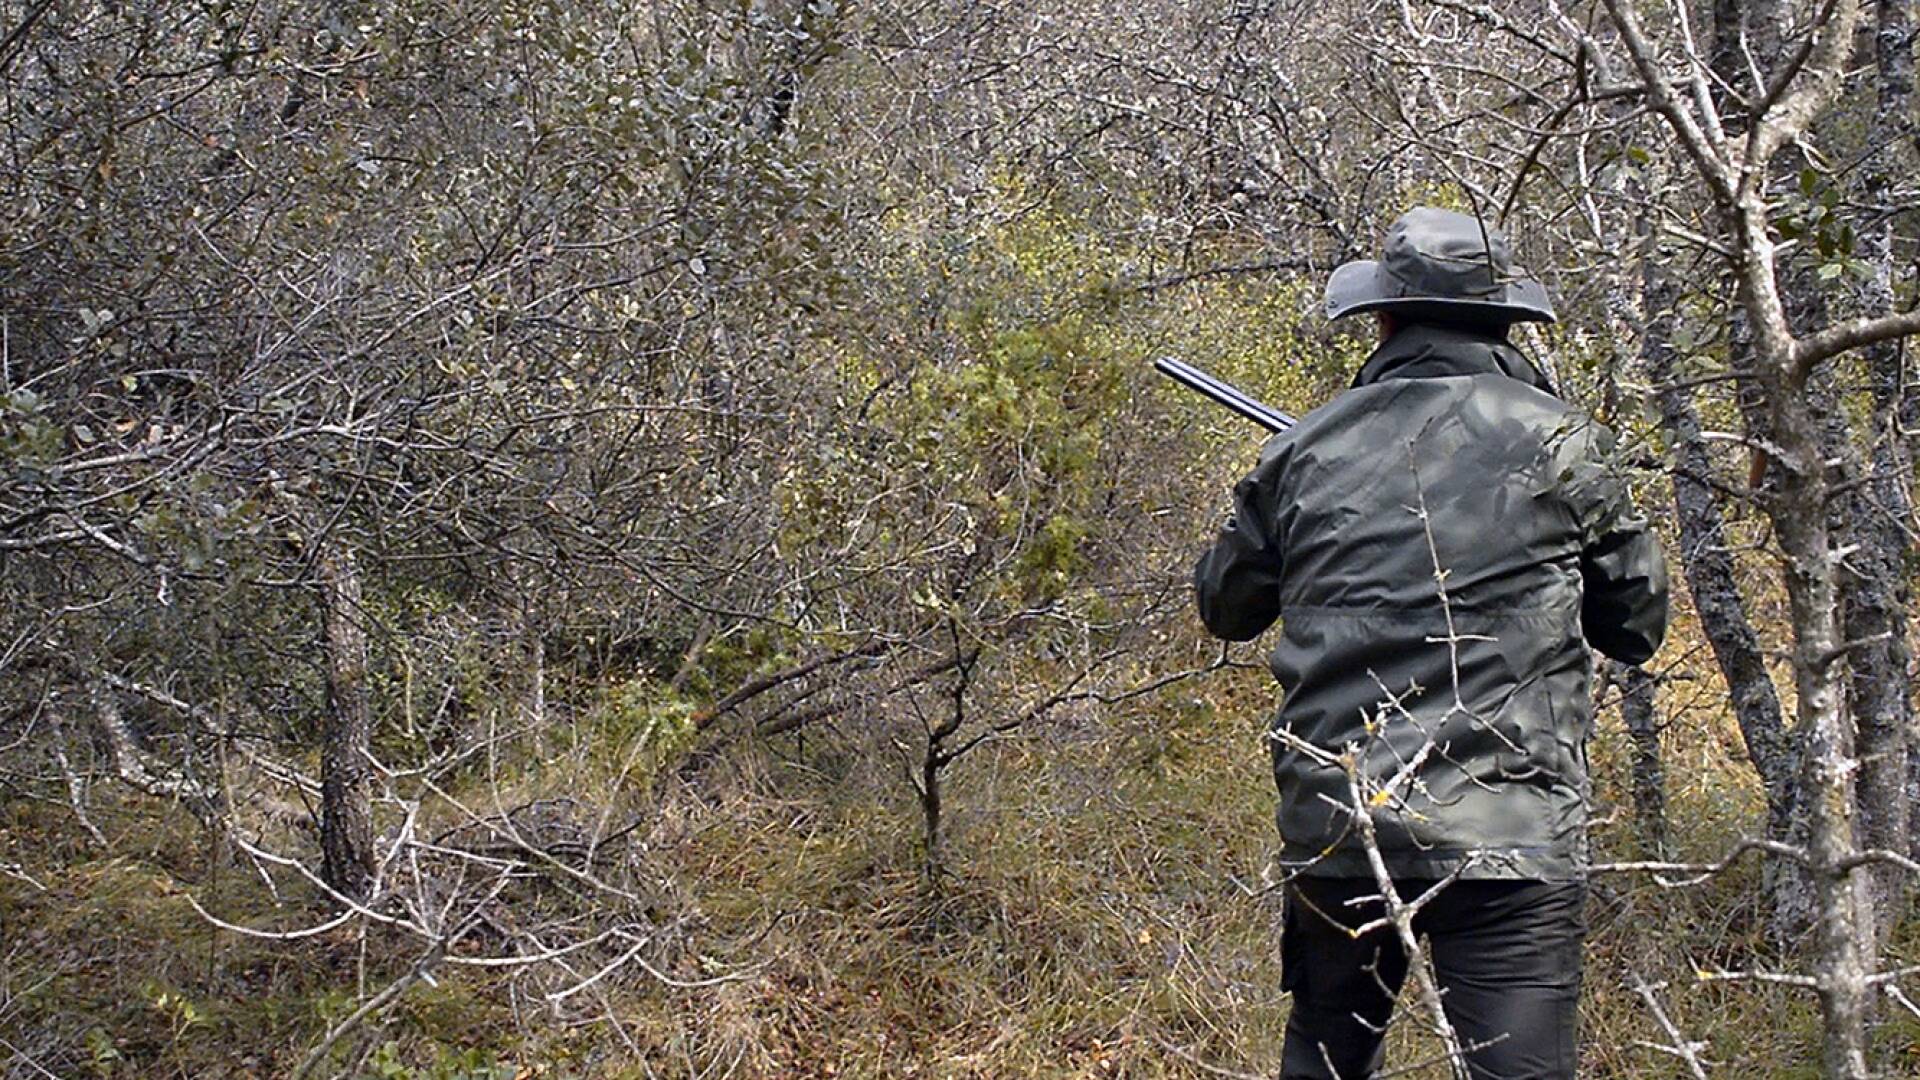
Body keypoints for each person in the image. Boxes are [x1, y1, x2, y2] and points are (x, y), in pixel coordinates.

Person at [1192, 206, 1668, 1079]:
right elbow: (1636, 626)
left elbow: (1225, 607)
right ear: (1506, 324)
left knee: (1327, 1065)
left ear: (1382, 319)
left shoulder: (1305, 449)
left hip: (1341, 822)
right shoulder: (1567, 445)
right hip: (1512, 829)